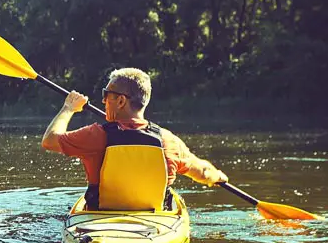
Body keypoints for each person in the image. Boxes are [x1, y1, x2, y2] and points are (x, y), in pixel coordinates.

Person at [41, 68, 228, 211]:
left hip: (99, 219)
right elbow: (203, 172)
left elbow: (49, 140)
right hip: (154, 224)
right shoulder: (168, 141)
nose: (103, 101)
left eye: (107, 95)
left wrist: (68, 108)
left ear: (121, 101)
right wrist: (218, 176)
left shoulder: (96, 135)